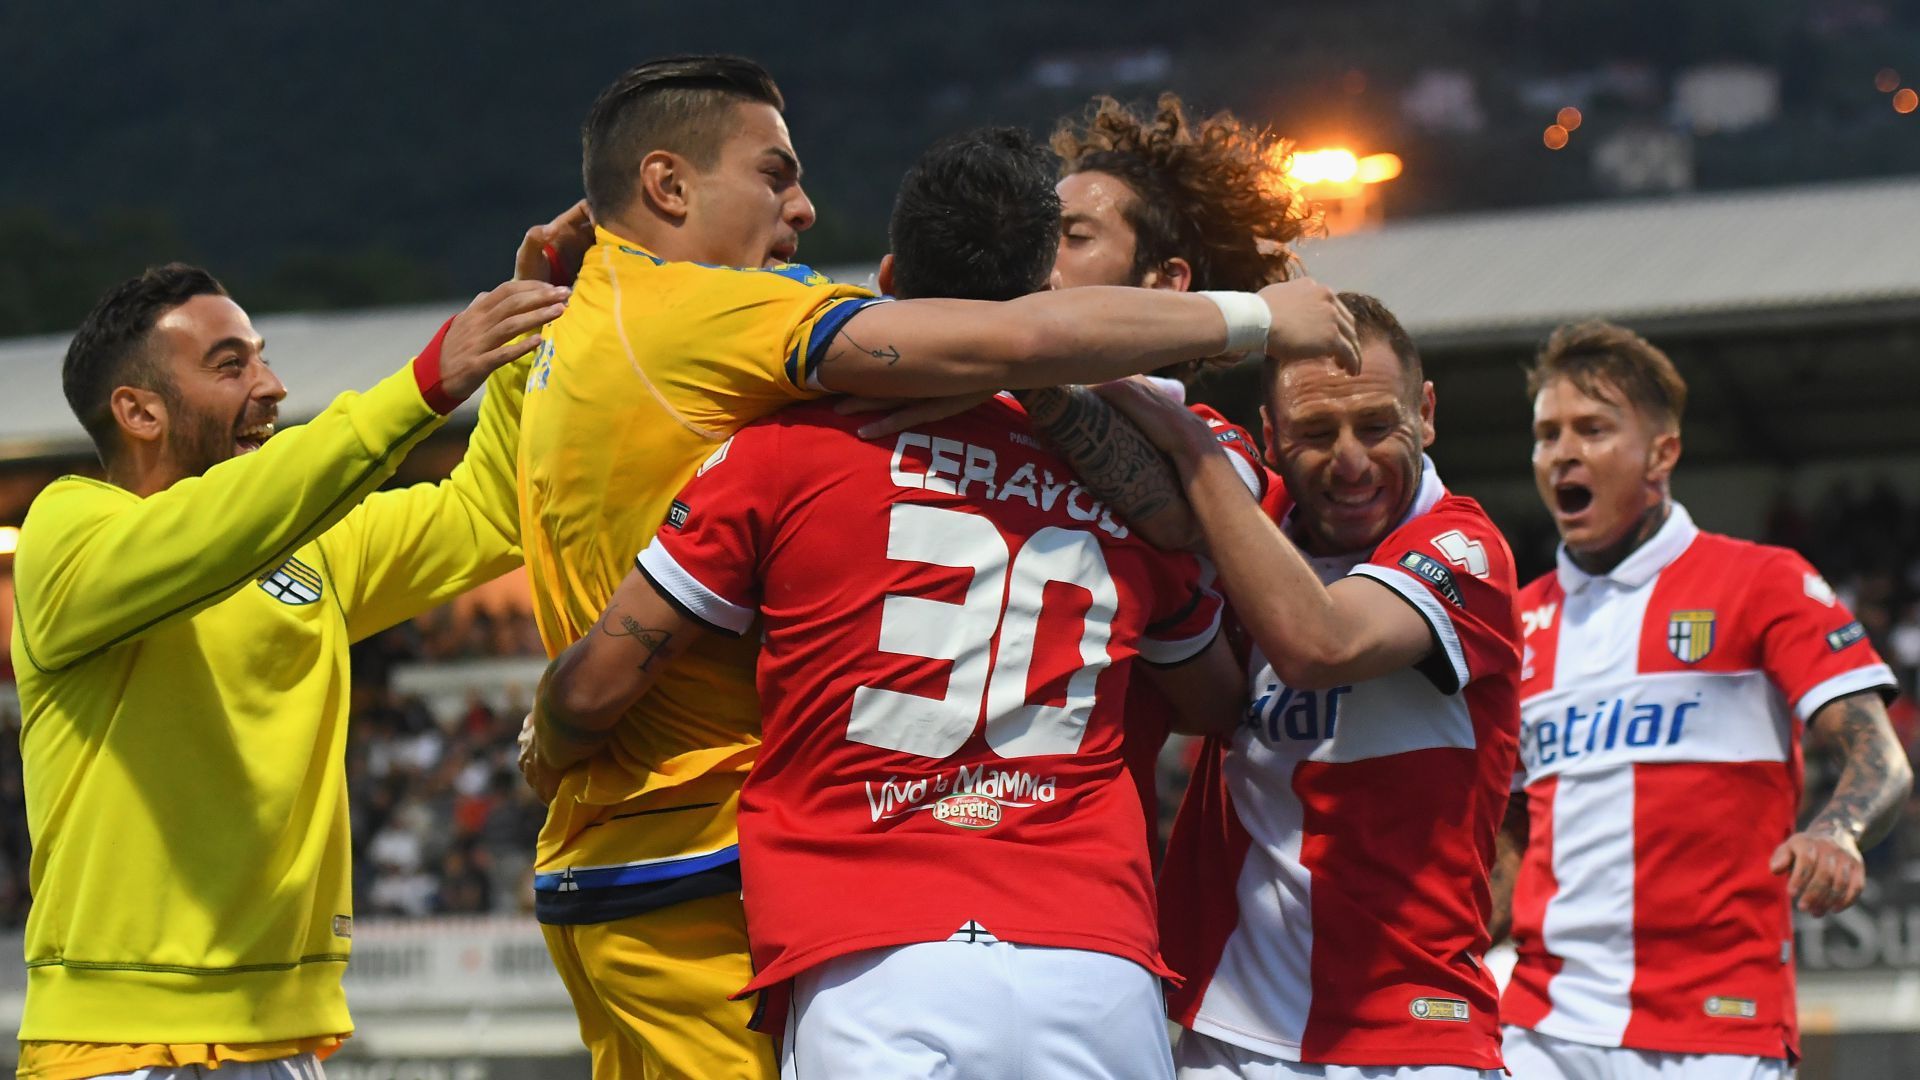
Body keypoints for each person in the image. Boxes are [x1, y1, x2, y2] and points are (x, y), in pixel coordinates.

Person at [515, 54, 1360, 1077]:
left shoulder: (791, 450)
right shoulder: (1169, 486)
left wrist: (549, 735)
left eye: (1080, 236)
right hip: (1088, 948)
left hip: (872, 946)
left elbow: (603, 677)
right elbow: (1211, 683)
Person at [10, 257, 568, 1079]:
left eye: (263, 357)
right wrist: (420, 385)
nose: (270, 386)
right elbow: (218, 527)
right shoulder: (67, 532)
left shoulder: (308, 552)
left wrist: (524, 337)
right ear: (138, 411)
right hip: (120, 1048)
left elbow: (486, 511)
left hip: (284, 1042)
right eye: (230, 365)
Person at [1105, 294, 1521, 1079]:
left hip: (1412, 1035)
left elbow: (1318, 643)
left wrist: (1189, 452)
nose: (1352, 461)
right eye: (1316, 435)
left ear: (1425, 413)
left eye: (1376, 425)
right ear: (1270, 437)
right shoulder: (1246, 514)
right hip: (1232, 1027)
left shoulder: (1465, 547)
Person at [1492, 322, 1908, 1080]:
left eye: (1592, 429)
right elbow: (1513, 826)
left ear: (1662, 453)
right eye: (1547, 434)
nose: (1563, 453)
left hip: (1717, 1028)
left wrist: (1836, 832)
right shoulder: (1514, 623)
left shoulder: (1761, 582)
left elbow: (1879, 758)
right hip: (1543, 1026)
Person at [1043, 90, 1309, 854]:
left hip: (1082, 866)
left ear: (1167, 282)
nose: (1042, 255)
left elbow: (1175, 518)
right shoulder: (972, 395)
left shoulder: (1219, 452)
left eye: (1073, 236)